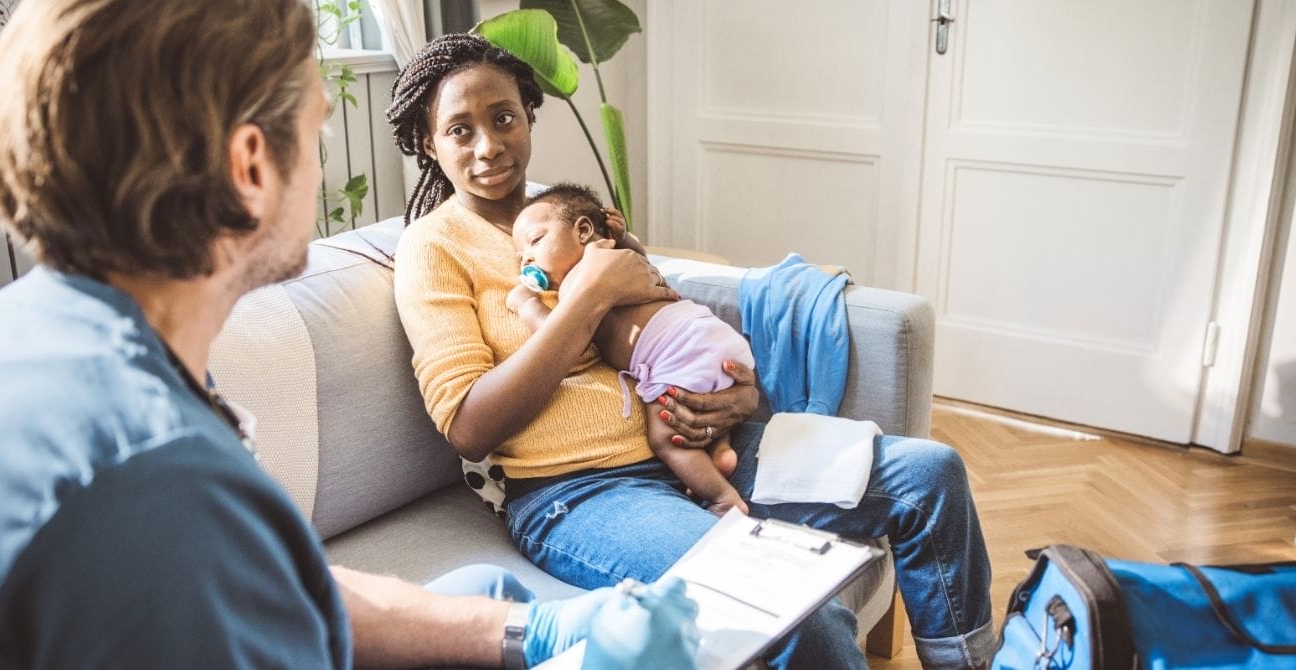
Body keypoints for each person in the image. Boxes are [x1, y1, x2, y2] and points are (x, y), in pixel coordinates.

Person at [0, 2, 695, 668]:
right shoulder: (152, 473)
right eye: (316, 130)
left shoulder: (72, 348)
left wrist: (513, 632)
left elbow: (271, 582)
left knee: (485, 591)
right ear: (252, 167)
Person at [391, 31, 996, 670]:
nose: (489, 146)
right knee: (802, 613)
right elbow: (467, 426)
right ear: (430, 144)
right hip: (581, 495)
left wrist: (734, 394)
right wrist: (584, 300)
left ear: (529, 116)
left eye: (504, 118)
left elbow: (665, 322)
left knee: (930, 475)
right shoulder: (432, 248)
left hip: (693, 446)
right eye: (460, 130)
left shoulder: (569, 214)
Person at [507, 183, 751, 516]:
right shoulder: (618, 258)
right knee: (699, 408)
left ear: (582, 230)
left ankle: (723, 497)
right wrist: (625, 239)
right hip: (708, 334)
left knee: (665, 437)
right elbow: (642, 263)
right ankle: (720, 450)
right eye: (521, 256)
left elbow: (560, 340)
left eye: (535, 242)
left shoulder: (583, 278)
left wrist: (526, 306)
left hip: (676, 349)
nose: (527, 259)